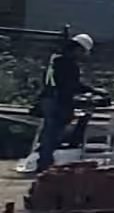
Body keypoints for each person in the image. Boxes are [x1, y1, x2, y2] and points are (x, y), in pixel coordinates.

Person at [25, 32, 98, 172]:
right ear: (77, 48)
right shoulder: (66, 63)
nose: (82, 55)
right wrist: (92, 90)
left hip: (51, 99)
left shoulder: (56, 59)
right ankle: (44, 164)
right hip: (57, 101)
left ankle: (44, 160)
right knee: (52, 134)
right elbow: (70, 84)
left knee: (50, 133)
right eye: (82, 52)